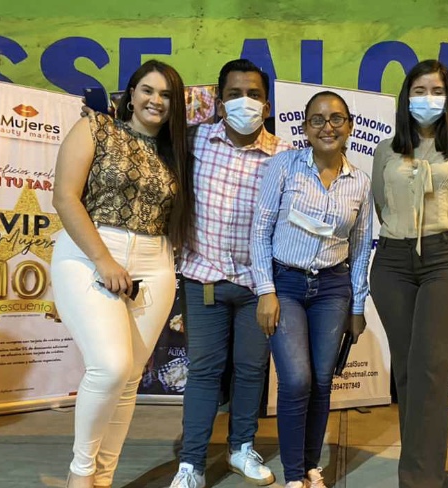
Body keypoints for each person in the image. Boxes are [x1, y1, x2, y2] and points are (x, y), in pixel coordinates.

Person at [51, 59, 193, 488]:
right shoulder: (95, 128)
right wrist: (104, 260)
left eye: (166, 95)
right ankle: (81, 473)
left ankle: (104, 478)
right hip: (90, 252)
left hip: (155, 260)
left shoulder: (177, 152)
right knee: (110, 367)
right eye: (148, 90)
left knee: (130, 378)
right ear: (131, 94)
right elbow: (65, 198)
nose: (156, 100)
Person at [169, 59, 291, 488]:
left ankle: (241, 448)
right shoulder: (195, 141)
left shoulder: (285, 155)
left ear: (267, 105)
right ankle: (192, 464)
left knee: (251, 370)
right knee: (204, 371)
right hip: (204, 277)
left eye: (254, 94)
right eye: (235, 94)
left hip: (259, 284)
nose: (245, 102)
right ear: (219, 104)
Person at [369, 59, 448, 488]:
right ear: (406, 97)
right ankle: (421, 468)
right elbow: (382, 204)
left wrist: (446, 248)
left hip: (446, 259)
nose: (427, 99)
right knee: (406, 370)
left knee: (430, 368)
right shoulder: (387, 149)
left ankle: (419, 480)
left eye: (436, 91)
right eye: (419, 91)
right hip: (392, 262)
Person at [251, 91, 373, 488]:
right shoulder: (284, 167)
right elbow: (260, 231)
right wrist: (266, 290)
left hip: (333, 289)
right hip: (285, 284)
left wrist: (358, 307)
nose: (327, 127)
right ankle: (293, 476)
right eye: (317, 120)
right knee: (296, 380)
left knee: (322, 380)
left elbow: (360, 247)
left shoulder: (360, 182)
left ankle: (310, 466)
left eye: (336, 119)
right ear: (305, 128)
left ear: (349, 126)